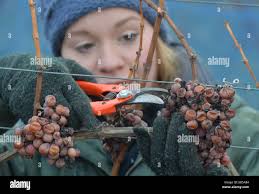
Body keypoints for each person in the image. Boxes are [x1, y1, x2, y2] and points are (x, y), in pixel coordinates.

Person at [0, 0, 258, 176]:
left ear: (159, 40)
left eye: (128, 36)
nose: (110, 62)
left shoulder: (237, 133)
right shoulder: (32, 143)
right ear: (61, 57)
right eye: (85, 46)